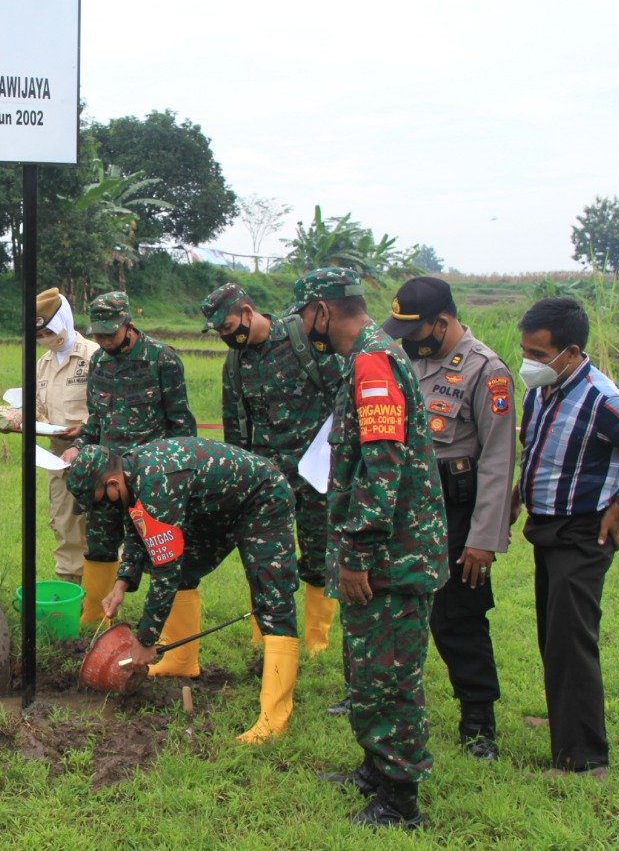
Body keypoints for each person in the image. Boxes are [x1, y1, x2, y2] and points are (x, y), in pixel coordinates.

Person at [289, 267, 446, 829]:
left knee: (390, 676)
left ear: (323, 311)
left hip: (390, 558)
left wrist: (357, 551)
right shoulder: (371, 356)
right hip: (386, 551)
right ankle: (376, 771)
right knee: (366, 669)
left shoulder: (372, 363)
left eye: (304, 317)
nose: (304, 328)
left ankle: (400, 800)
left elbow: (383, 462)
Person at [514, 296, 619, 778]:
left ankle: (582, 759)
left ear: (571, 351)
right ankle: (567, 719)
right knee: (553, 632)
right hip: (547, 529)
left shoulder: (602, 399)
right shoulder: (543, 390)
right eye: (525, 353)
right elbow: (537, 448)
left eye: (539, 356)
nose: (529, 365)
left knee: (571, 638)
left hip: (583, 531)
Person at [65, 438, 300, 743]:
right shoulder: (129, 475)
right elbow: (138, 531)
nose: (102, 509)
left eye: (100, 501)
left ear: (112, 483)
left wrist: (145, 641)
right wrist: (121, 584)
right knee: (186, 568)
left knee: (273, 599)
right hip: (217, 509)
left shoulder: (158, 483)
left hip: (262, 499)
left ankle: (274, 719)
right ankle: (182, 661)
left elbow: (166, 573)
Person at [383, 276, 515, 761]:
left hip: (457, 509)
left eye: (414, 330)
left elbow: (499, 460)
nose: (406, 338)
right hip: (407, 508)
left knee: (459, 617)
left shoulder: (487, 371)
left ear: (442, 322)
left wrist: (484, 539)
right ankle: (380, 700)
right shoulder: (406, 360)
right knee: (392, 606)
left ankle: (478, 721)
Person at [200, 282, 342, 658]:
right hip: (266, 477)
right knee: (262, 556)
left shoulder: (302, 339)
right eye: (219, 333)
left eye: (228, 327)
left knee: (318, 551)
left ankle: (316, 641)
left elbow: (342, 395)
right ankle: (264, 634)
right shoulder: (235, 363)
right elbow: (234, 422)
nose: (226, 337)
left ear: (247, 311)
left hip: (315, 471)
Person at [60, 291, 197, 657]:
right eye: (99, 335)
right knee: (100, 544)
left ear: (127, 324)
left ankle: (166, 634)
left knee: (159, 551)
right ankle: (95, 621)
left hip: (148, 478)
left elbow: (181, 425)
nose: (104, 342)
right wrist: (80, 446)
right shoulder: (100, 363)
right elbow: (97, 419)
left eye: (110, 333)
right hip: (104, 472)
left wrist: (174, 479)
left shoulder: (161, 359)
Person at [32, 287, 99, 604]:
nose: (46, 337)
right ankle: (71, 592)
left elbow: (108, 412)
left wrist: (83, 431)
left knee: (96, 527)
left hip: (94, 458)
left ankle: (97, 595)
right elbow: (37, 409)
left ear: (65, 321)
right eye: (40, 334)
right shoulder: (43, 365)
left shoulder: (94, 357)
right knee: (63, 523)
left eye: (50, 330)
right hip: (57, 458)